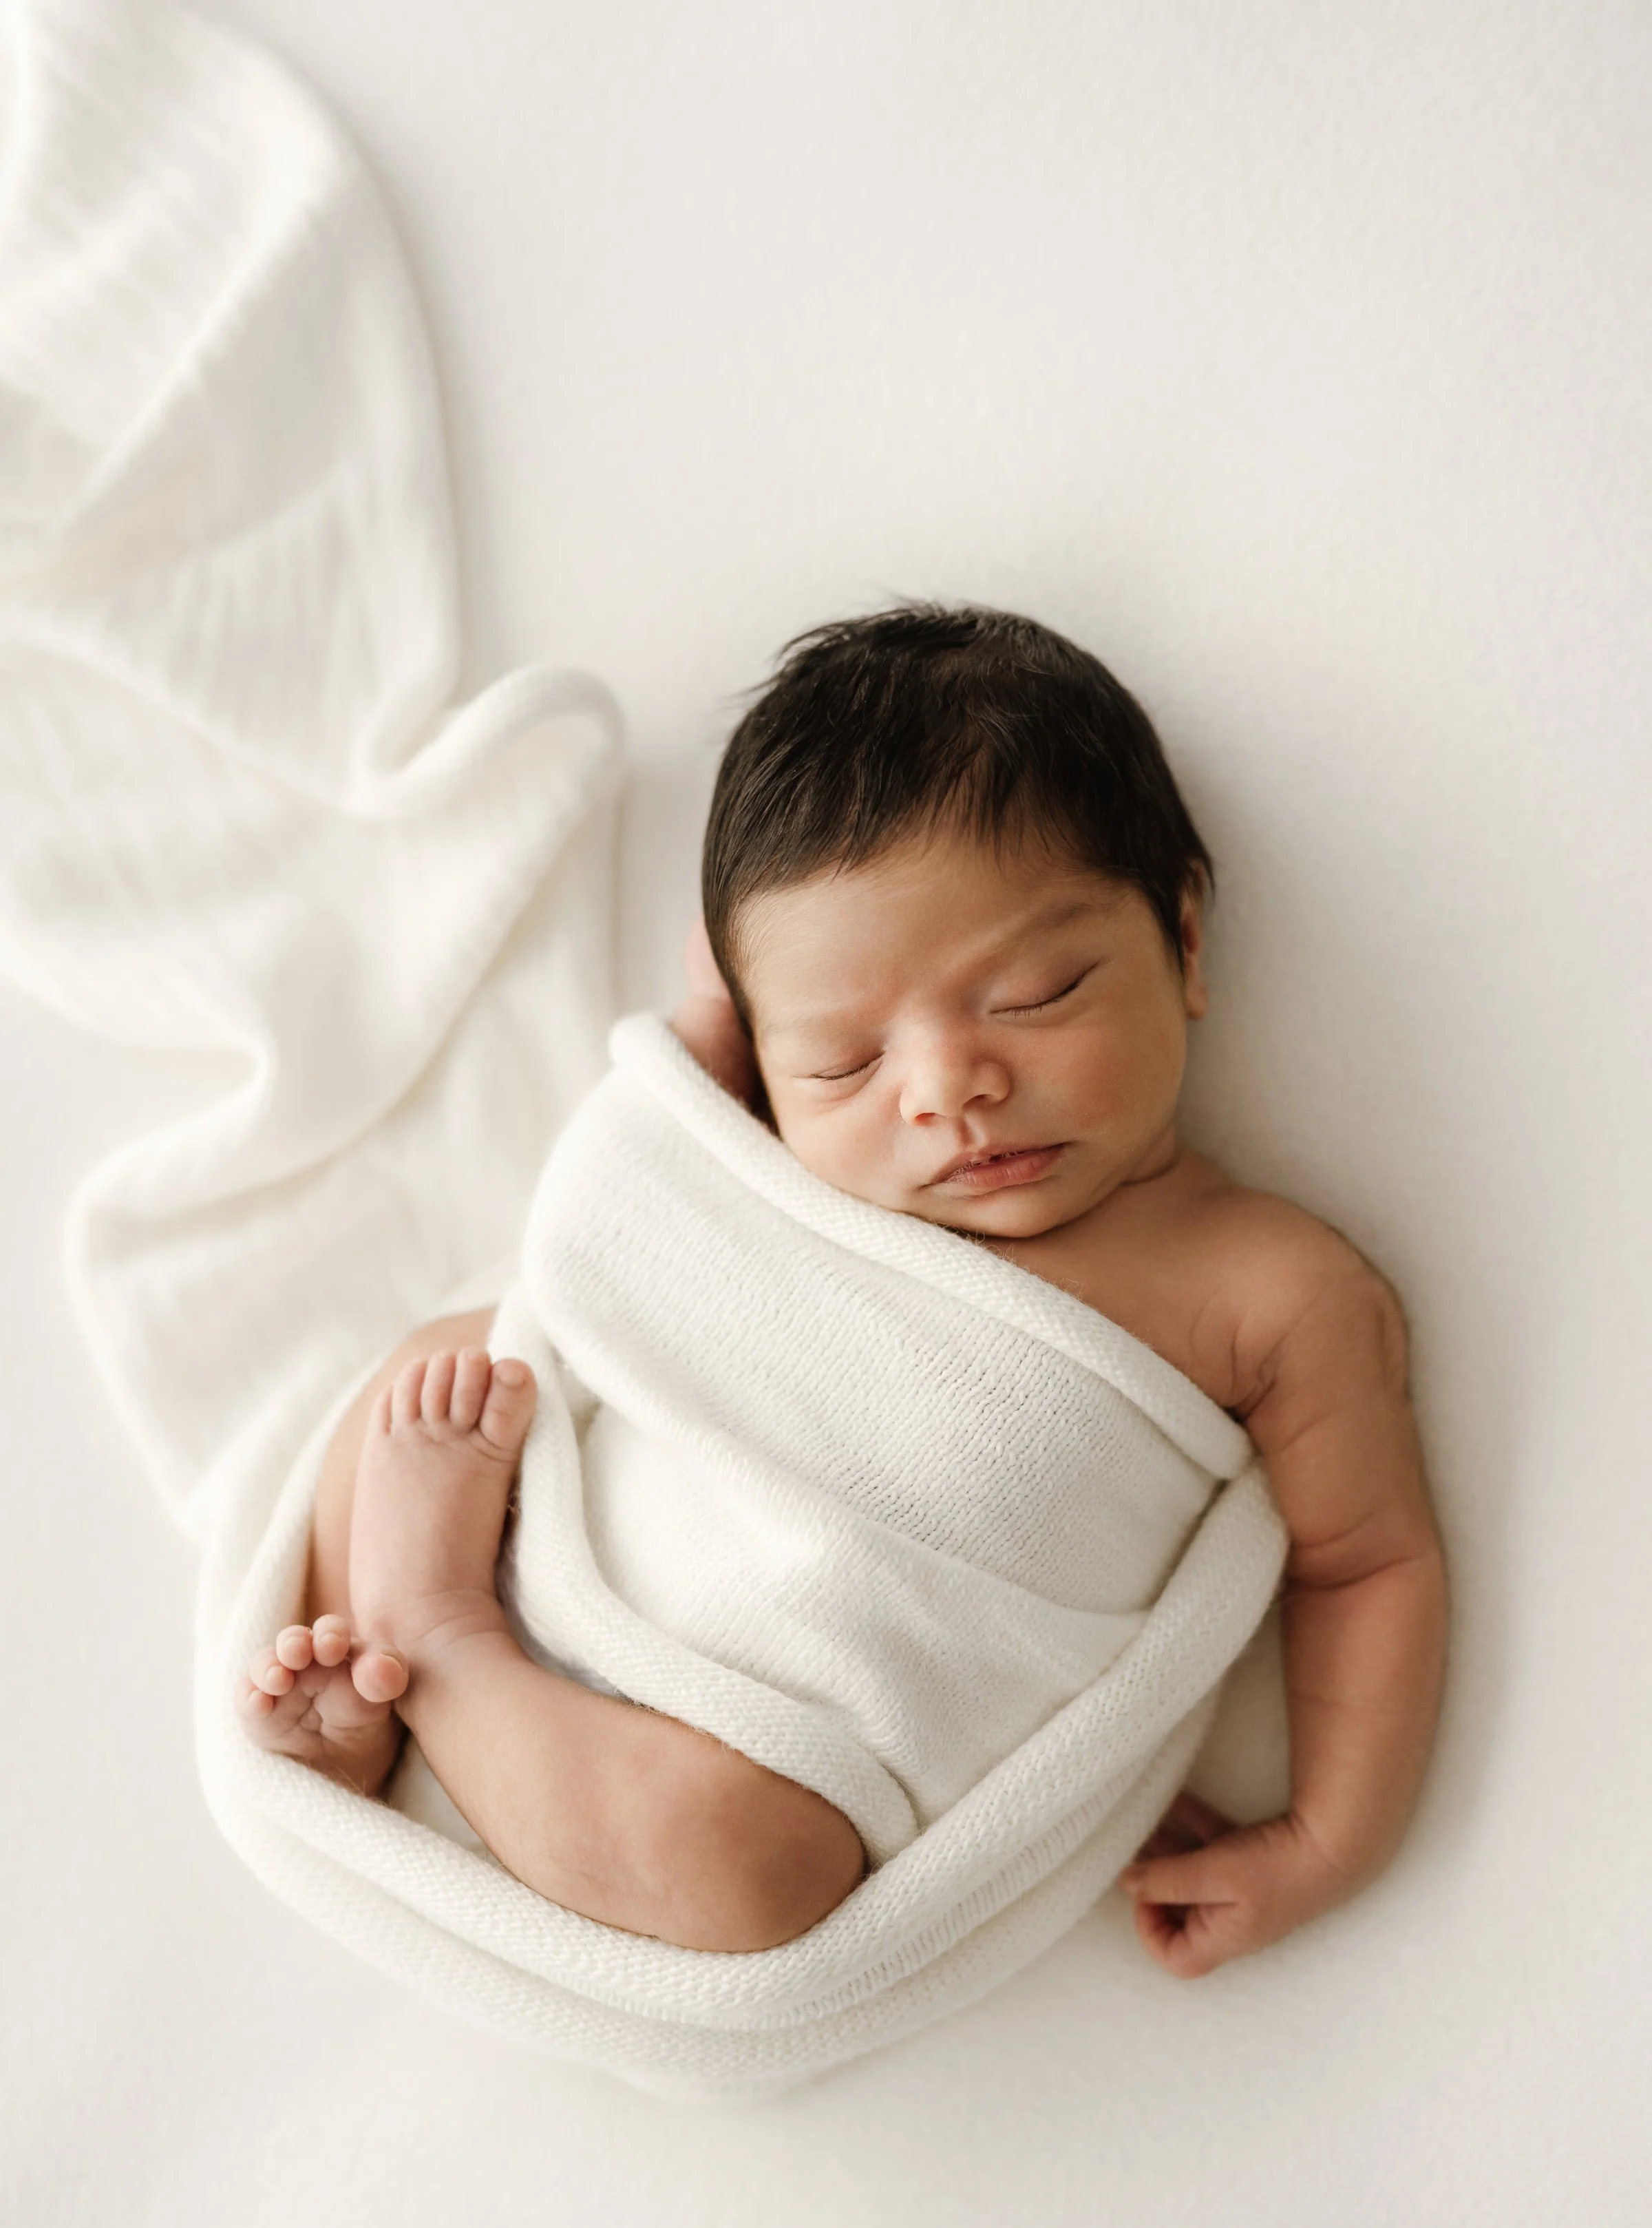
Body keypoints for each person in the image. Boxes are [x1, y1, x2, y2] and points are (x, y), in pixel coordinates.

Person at [238, 605, 1446, 1973]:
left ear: (1182, 938)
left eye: (1037, 992)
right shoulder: (770, 1133)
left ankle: (432, 1651)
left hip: (772, 1753)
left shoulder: (1271, 1287)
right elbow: (655, 1184)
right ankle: (380, 1679)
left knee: (758, 1876)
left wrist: (1331, 1837)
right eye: (844, 1064)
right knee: (447, 1372)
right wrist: (739, 1039)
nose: (947, 1091)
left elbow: (1368, 1562)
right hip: (587, 1556)